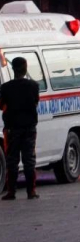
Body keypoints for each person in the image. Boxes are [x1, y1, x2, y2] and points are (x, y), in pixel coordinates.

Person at [1, 57, 40, 200]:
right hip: (29, 128)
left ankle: (11, 192)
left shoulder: (5, 88)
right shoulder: (34, 86)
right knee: (29, 159)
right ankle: (31, 191)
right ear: (25, 68)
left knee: (12, 160)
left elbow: (1, 105)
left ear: (13, 69)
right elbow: (36, 103)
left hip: (12, 129)